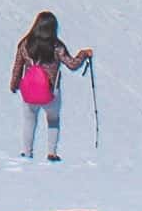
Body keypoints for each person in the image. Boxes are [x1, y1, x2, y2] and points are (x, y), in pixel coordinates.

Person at [8, 11, 93, 161]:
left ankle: (27, 152)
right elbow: (72, 64)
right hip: (50, 92)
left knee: (29, 121)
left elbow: (17, 66)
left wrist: (14, 84)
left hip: (29, 91)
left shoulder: (25, 44)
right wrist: (83, 54)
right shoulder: (56, 46)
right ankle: (51, 153)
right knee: (53, 120)